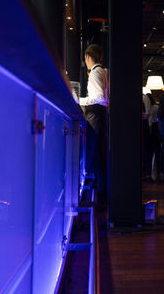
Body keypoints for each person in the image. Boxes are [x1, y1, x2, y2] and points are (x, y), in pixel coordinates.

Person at [72, 44, 108, 208]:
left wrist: (79, 100)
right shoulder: (104, 71)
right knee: (98, 154)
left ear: (87, 57)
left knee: (94, 154)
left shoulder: (95, 73)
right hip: (101, 115)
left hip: (95, 115)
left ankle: (98, 196)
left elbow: (100, 97)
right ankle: (100, 193)